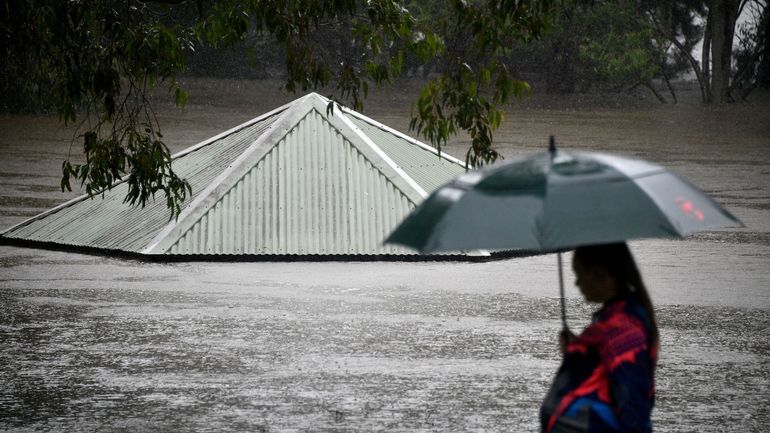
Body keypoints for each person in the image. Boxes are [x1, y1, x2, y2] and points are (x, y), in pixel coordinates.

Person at [540, 242, 659, 433]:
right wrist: (575, 350)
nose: (577, 283)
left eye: (579, 274)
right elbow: (601, 368)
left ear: (600, 274)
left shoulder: (623, 329)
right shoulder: (613, 319)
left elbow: (633, 403)